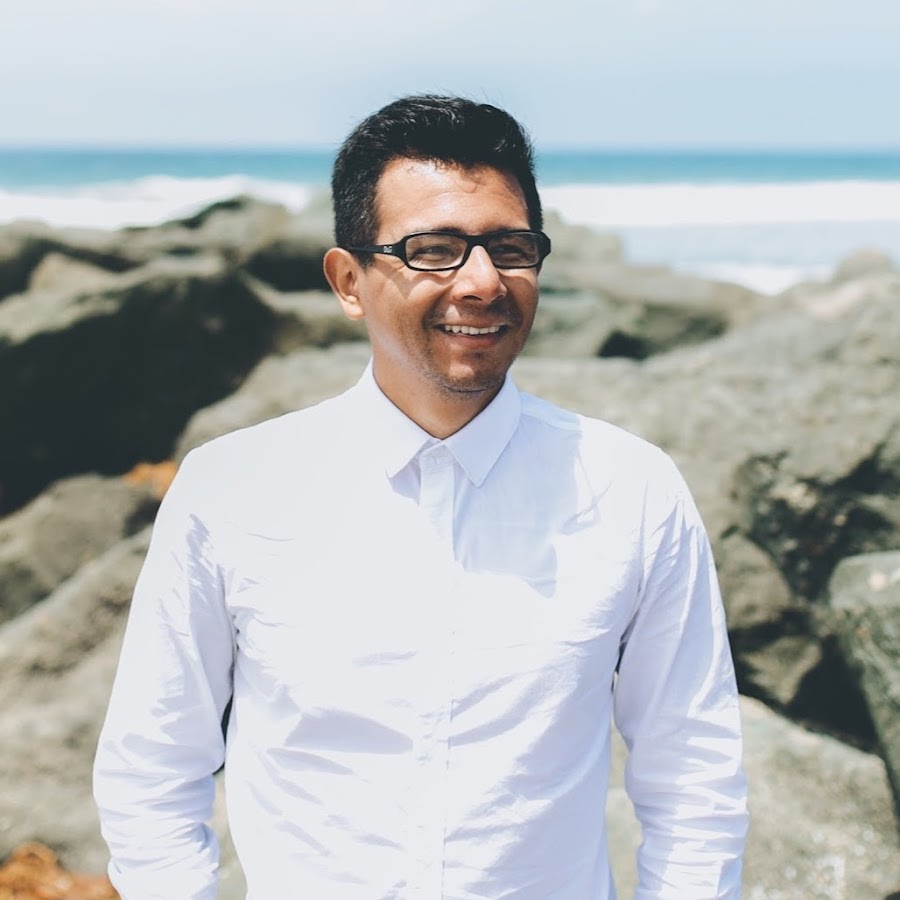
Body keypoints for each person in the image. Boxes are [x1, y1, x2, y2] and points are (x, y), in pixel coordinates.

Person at [94, 94, 748, 899]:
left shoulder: (630, 489)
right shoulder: (231, 490)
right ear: (349, 281)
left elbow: (694, 776)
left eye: (510, 247)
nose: (482, 282)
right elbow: (153, 768)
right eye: (433, 250)